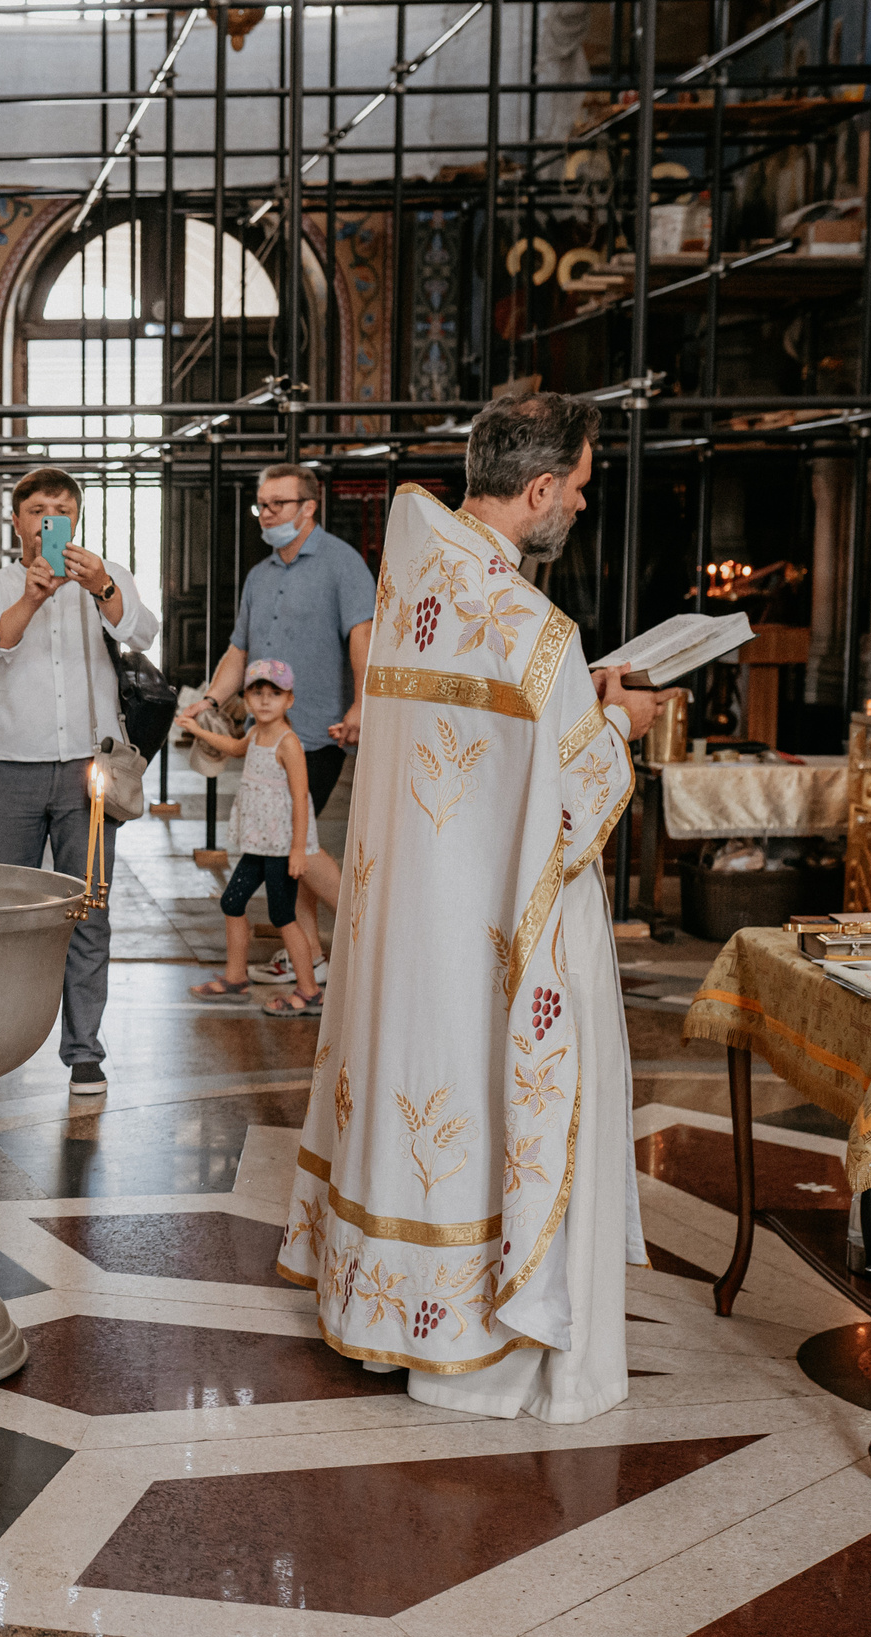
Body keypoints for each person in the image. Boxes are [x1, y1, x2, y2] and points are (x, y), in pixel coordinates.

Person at [276, 392, 673, 1425]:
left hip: (415, 924)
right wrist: (620, 720)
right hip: (495, 932)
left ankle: (392, 1317)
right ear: (538, 489)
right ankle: (485, 1334)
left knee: (417, 1085)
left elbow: (500, 743)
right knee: (511, 1096)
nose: (581, 506)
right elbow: (577, 790)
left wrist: (575, 702)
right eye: (579, 489)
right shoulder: (527, 626)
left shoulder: (426, 575)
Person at [0, 466, 157, 1096]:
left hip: (87, 772)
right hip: (12, 769)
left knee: (88, 909)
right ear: (16, 519)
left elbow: (143, 632)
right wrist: (32, 597)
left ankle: (84, 1052)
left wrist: (99, 587)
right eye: (38, 509)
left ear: (76, 520)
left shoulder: (102, 577)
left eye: (62, 510)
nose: (49, 519)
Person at [177, 462, 378, 986]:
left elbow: (363, 637)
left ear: (309, 507)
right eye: (260, 505)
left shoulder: (342, 564)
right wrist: (210, 698)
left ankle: (376, 937)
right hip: (264, 733)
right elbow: (240, 649)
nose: (265, 514)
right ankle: (307, 955)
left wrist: (361, 706)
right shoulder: (260, 575)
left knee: (302, 848)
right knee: (289, 849)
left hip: (316, 731)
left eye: (276, 505)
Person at [186, 661, 323, 1017]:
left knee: (282, 915)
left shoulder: (288, 743)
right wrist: (195, 730)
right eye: (257, 693)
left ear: (289, 700)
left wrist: (298, 850)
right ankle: (236, 979)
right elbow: (233, 748)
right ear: (246, 699)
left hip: (280, 847)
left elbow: (300, 796)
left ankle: (309, 990)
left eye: (274, 694)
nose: (264, 701)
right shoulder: (255, 734)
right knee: (232, 902)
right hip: (258, 844)